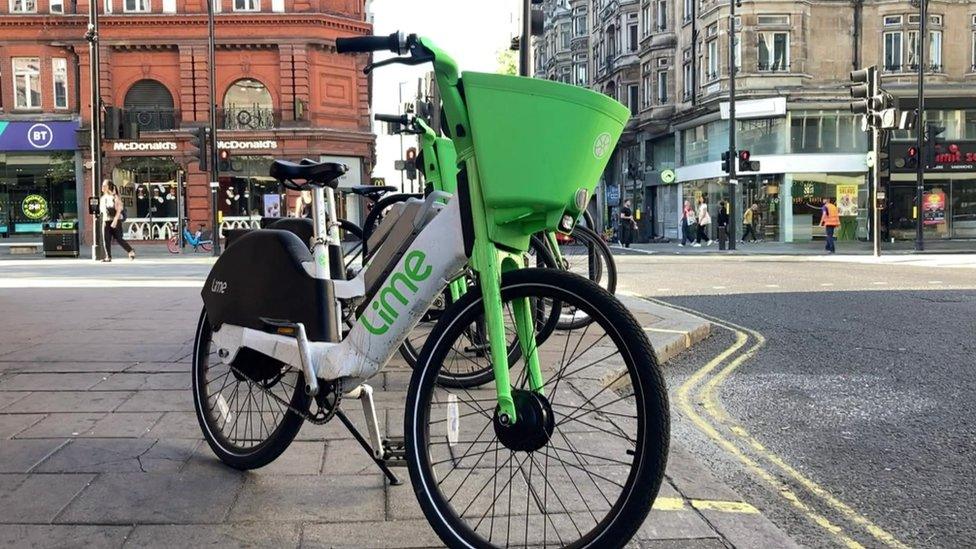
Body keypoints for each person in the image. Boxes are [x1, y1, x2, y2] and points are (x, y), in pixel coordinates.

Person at [99, 179, 135, 262]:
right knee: (106, 239)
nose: (103, 187)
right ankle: (108, 257)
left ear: (109, 187)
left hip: (115, 220)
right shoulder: (103, 198)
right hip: (105, 220)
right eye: (102, 185)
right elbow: (102, 210)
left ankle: (130, 250)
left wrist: (115, 220)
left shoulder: (114, 197)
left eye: (105, 185)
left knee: (119, 239)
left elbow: (119, 209)